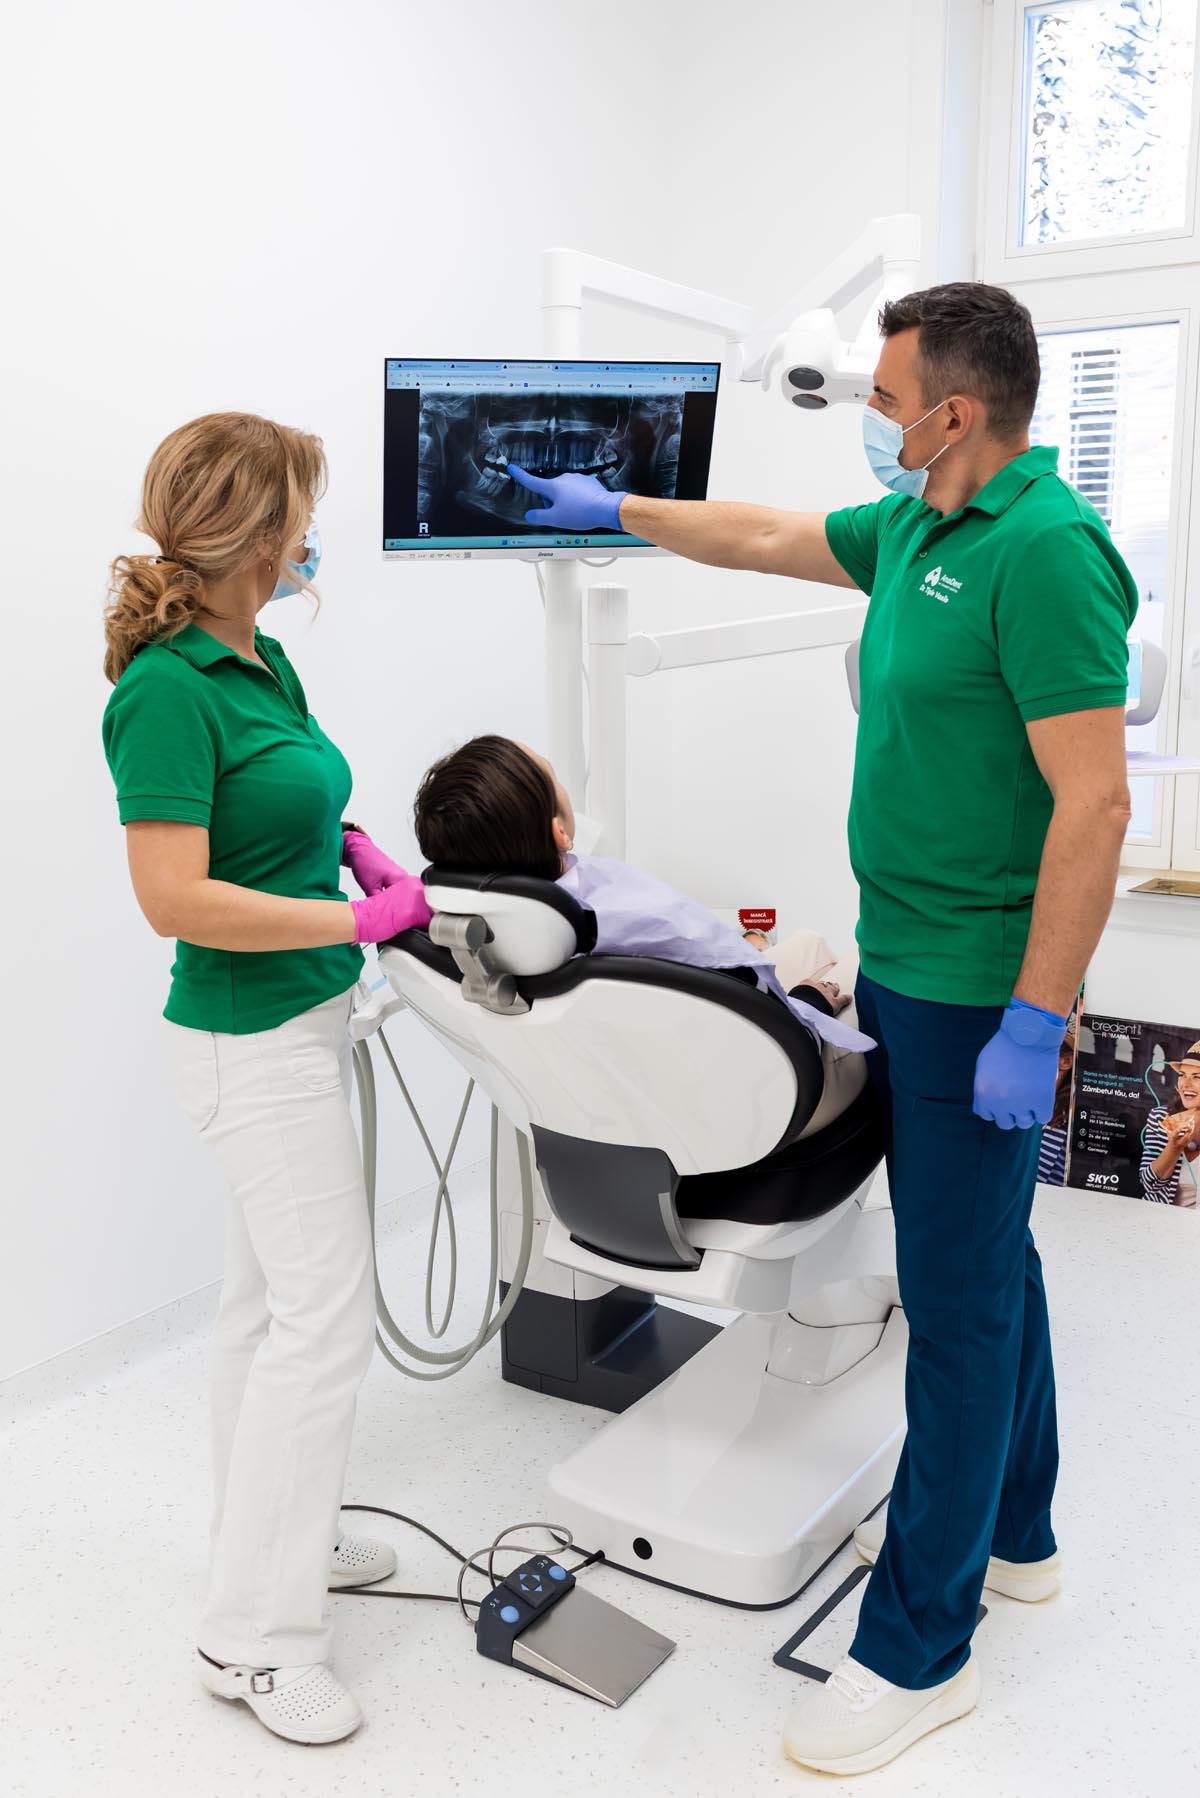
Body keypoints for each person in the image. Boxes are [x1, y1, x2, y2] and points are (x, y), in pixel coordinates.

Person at [504, 282, 1137, 1775]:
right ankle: (1021, 1534)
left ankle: (919, 1652)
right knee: (991, 1263)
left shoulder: (1047, 552)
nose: (871, 416)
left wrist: (1037, 1016)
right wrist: (617, 509)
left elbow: (1098, 806)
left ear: (955, 415)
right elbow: (768, 537)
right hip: (905, 964)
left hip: (981, 989)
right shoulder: (919, 523)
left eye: (886, 396)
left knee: (955, 1310)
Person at [101, 413, 431, 1746]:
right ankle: (254, 1640)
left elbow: (284, 801)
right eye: (304, 511)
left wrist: (350, 844)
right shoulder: (165, 689)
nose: (314, 538)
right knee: (324, 1323)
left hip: (306, 1021)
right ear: (257, 530)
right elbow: (173, 896)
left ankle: (280, 1535)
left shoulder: (260, 657)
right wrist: (355, 919)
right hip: (249, 1042)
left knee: (261, 1313)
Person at [409, 733, 873, 1137]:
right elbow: (748, 1004)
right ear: (560, 831)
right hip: (763, 1104)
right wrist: (809, 1001)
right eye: (554, 777)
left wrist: (749, 953)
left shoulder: (504, 937)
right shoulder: (610, 925)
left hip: (656, 1087)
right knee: (868, 968)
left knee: (808, 942)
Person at [1139, 1042, 1200, 1206]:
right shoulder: (1160, 1117)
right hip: (1159, 1214)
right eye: (1182, 1075)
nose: (1186, 1084)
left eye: (1197, 1077)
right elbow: (1149, 1185)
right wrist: (1173, 1147)